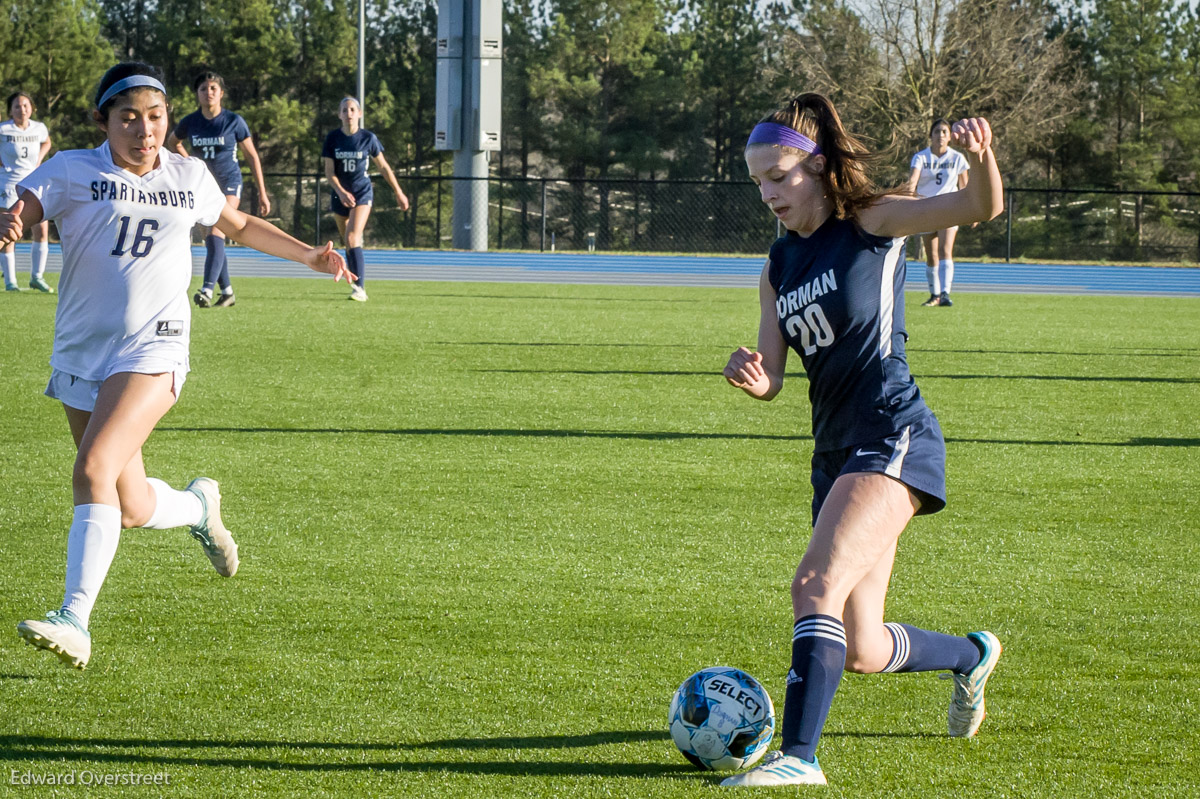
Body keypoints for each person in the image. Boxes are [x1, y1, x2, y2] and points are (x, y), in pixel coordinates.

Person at [6, 62, 352, 670]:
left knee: (92, 468)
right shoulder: (73, 170)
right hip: (83, 351)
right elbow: (25, 205)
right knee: (131, 504)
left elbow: (238, 224)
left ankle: (75, 618)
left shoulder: (188, 176)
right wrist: (12, 220)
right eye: (129, 119)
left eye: (156, 117)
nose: (145, 131)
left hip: (154, 347)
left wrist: (310, 257)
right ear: (103, 122)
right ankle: (199, 506)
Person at [720, 93, 1004, 787]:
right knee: (864, 647)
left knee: (813, 584)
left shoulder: (870, 222)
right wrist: (752, 377)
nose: (768, 193)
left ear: (816, 166)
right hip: (833, 452)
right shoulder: (778, 262)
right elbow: (776, 376)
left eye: (779, 176)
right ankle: (970, 655)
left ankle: (798, 758)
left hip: (892, 431)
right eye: (757, 180)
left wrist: (981, 158)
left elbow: (979, 209)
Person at [167, 71, 272, 308]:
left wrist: (262, 192)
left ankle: (206, 289)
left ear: (221, 93)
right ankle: (227, 292)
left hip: (229, 183)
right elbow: (173, 142)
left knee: (216, 229)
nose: (208, 93)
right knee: (213, 240)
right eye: (203, 89)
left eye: (213, 88)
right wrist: (190, 162)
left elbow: (252, 156)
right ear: (198, 94)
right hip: (203, 185)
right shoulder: (190, 121)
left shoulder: (234, 121)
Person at [322, 96, 409, 302]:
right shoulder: (333, 138)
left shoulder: (368, 138)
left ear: (359, 114)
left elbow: (384, 167)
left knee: (353, 238)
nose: (349, 113)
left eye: (352, 109)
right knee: (347, 242)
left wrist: (398, 191)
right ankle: (354, 281)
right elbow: (329, 172)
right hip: (340, 193)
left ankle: (360, 288)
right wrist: (341, 192)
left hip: (362, 192)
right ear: (339, 114)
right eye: (344, 110)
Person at [907, 118, 970, 307]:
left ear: (950, 136)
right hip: (925, 208)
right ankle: (934, 294)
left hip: (949, 207)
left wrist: (969, 211)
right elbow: (912, 181)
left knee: (945, 249)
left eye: (944, 132)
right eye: (937, 132)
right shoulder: (921, 157)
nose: (940, 135)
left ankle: (945, 293)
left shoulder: (957, 158)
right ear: (931, 136)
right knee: (931, 253)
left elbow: (964, 186)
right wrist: (908, 202)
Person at [0, 92, 52, 292]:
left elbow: (47, 141)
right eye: (16, 106)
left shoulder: (39, 128)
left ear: (32, 108)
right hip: (8, 183)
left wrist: (39, 158)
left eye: (25, 105)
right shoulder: (3, 129)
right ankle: (10, 282)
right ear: (10, 110)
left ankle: (37, 277)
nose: (22, 109)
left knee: (41, 230)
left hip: (33, 183)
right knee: (8, 230)